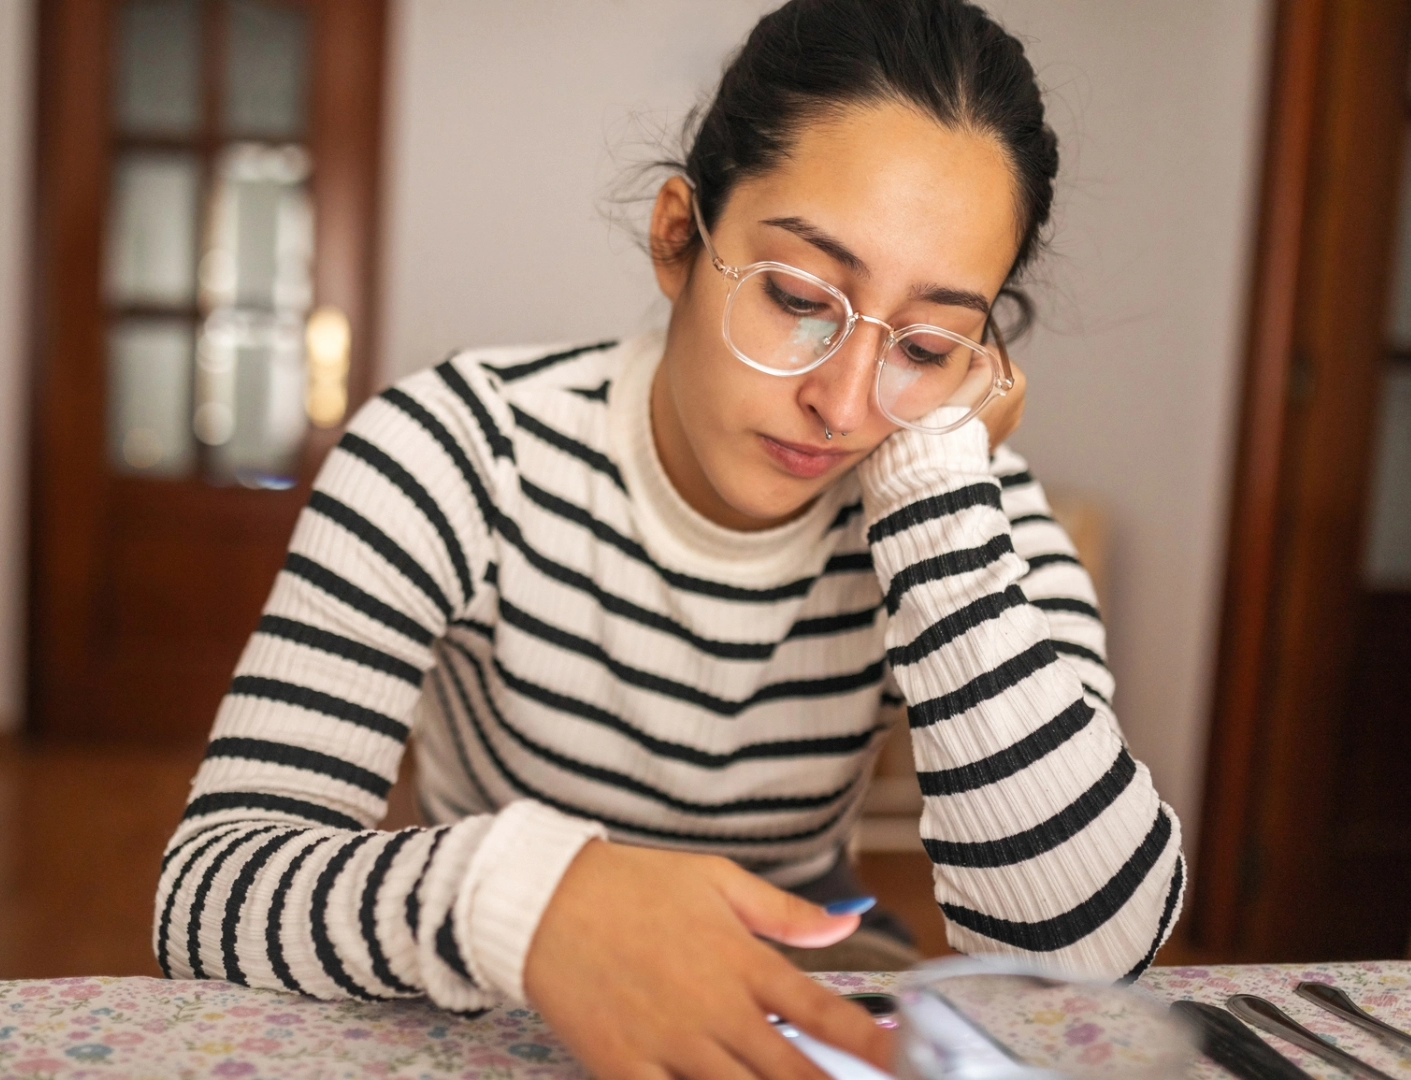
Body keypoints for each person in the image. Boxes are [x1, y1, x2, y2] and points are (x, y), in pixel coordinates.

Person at [155, 1, 1186, 1076]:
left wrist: (932, 501)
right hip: (498, 991)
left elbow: (1086, 956)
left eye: (926, 347)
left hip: (802, 982)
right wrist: (528, 900)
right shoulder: (457, 450)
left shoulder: (967, 513)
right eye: (798, 296)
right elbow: (212, 884)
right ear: (676, 236)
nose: (841, 404)